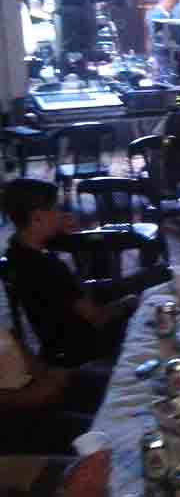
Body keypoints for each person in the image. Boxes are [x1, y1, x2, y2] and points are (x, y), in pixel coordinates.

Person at [2, 179, 140, 367]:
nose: (61, 214)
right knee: (145, 298)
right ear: (37, 217)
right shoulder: (49, 268)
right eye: (55, 209)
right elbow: (96, 317)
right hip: (80, 348)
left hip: (52, 345)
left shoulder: (14, 252)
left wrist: (57, 230)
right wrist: (128, 303)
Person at [0, 328, 110, 455]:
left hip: (34, 385)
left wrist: (46, 374)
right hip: (12, 414)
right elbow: (36, 397)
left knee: (115, 385)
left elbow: (21, 351)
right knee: (105, 433)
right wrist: (31, 395)